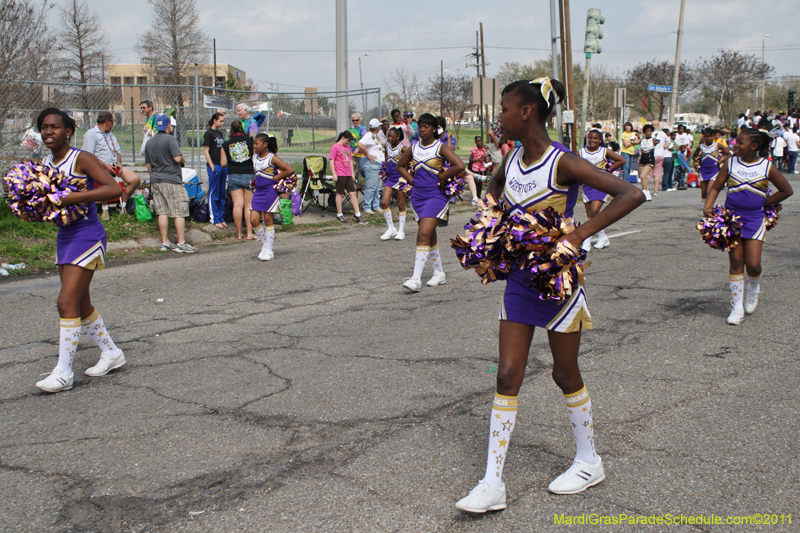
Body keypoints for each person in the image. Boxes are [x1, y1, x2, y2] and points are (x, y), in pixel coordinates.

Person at [453, 79, 643, 514]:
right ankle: (492, 483)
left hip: (558, 283)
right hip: (520, 281)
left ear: (526, 113)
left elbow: (631, 193)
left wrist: (577, 234)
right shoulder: (512, 157)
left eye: (503, 109)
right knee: (506, 375)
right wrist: (491, 220)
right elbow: (495, 189)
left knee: (564, 373)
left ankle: (588, 460)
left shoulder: (564, 163)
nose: (497, 117)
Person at [33, 109, 127, 392]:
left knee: (65, 302)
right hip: (65, 235)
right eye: (44, 128)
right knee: (79, 302)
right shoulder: (46, 162)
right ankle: (112, 353)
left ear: (69, 131)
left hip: (87, 235)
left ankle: (63, 372)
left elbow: (113, 189)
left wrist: (74, 197)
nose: (49, 132)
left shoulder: (81, 158)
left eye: (55, 127)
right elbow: (52, 201)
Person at [703, 128, 792, 325]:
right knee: (735, 262)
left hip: (754, 219)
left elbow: (786, 190)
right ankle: (737, 307)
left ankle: (754, 287)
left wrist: (765, 203)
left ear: (753, 146)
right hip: (731, 219)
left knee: (753, 264)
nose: (735, 146)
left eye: (740, 143)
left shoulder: (766, 166)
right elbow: (717, 186)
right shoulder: (730, 162)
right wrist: (707, 205)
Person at [396, 113, 464, 291]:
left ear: (434, 128)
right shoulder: (414, 147)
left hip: (436, 196)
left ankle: (415, 279)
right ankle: (439, 273)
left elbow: (459, 165)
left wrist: (441, 177)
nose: (422, 129)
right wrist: (411, 180)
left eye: (426, 126)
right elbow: (400, 166)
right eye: (420, 126)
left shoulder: (440, 147)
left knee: (423, 233)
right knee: (429, 234)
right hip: (418, 197)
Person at [144, 115, 197, 253]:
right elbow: (177, 158)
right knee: (179, 211)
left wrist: (154, 175)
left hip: (156, 180)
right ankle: (181, 242)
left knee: (162, 212)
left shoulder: (149, 142)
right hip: (172, 179)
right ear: (168, 126)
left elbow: (148, 165)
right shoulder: (170, 139)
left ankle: (165, 242)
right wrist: (183, 159)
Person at [81, 112, 141, 212]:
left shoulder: (111, 135)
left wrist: (118, 164)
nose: (112, 125)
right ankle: (105, 208)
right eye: (112, 122)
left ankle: (123, 205)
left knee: (135, 179)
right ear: (106, 122)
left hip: (114, 166)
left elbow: (118, 152)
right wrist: (106, 166)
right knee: (105, 179)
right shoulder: (91, 134)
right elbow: (89, 155)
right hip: (99, 167)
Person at [579, 129, 625, 252]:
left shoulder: (604, 151)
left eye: (595, 138)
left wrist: (608, 170)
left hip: (601, 184)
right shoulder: (581, 152)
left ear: (600, 140)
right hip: (587, 185)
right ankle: (603, 237)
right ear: (587, 139)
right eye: (590, 138)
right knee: (591, 215)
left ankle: (587, 239)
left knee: (594, 211)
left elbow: (621, 160)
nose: (593, 140)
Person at [250, 133, 294, 261]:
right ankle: (265, 243)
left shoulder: (272, 157)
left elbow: (288, 169)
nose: (254, 146)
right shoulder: (254, 157)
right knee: (253, 220)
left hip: (270, 192)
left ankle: (268, 249)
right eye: (254, 143)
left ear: (265, 145)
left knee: (268, 220)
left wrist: (275, 178)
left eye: (257, 144)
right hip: (258, 192)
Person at [222, 120, 255, 240]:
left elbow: (223, 163)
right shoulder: (250, 141)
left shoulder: (226, 144)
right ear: (242, 129)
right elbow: (254, 158)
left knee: (237, 205)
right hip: (248, 173)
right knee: (248, 206)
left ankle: (239, 233)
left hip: (233, 174)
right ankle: (249, 233)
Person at [378, 126, 408, 241]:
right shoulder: (387, 146)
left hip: (400, 179)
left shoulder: (402, 148)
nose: (389, 138)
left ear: (398, 137)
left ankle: (401, 230)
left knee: (401, 204)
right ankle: (391, 228)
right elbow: (386, 159)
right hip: (390, 178)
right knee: (384, 202)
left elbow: (411, 157)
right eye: (388, 136)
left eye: (391, 136)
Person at [330, 131, 363, 224]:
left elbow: (350, 161)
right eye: (348, 141)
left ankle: (357, 213)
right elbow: (331, 160)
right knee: (340, 193)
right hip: (340, 173)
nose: (348, 143)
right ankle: (339, 214)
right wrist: (334, 173)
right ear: (343, 138)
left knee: (353, 193)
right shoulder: (335, 147)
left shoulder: (348, 147)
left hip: (348, 173)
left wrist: (352, 173)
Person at [203, 112, 228, 228]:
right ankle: (214, 218)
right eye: (220, 121)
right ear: (214, 120)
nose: (222, 123)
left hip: (222, 166)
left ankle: (221, 217)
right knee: (214, 192)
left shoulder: (219, 133)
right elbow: (206, 151)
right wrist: (211, 165)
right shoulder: (209, 133)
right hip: (215, 165)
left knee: (221, 192)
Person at [693, 127, 731, 201]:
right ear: (704, 136)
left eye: (711, 136)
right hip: (703, 171)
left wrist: (720, 161)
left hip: (714, 171)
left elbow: (729, 154)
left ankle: (709, 208)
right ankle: (704, 206)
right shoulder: (701, 147)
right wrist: (698, 161)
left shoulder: (717, 145)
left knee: (709, 191)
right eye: (707, 136)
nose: (709, 138)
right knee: (703, 193)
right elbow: (694, 156)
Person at [358, 118, 385, 214]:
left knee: (377, 186)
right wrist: (368, 155)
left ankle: (375, 205)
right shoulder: (369, 135)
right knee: (371, 186)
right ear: (377, 127)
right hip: (372, 164)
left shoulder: (375, 136)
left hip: (378, 164)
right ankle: (367, 206)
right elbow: (360, 144)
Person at [637, 125, 658, 201]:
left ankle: (646, 193)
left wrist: (657, 140)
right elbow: (633, 142)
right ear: (644, 132)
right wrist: (634, 137)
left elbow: (656, 142)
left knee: (643, 175)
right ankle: (646, 192)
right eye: (647, 131)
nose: (648, 133)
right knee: (643, 178)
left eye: (650, 131)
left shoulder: (653, 139)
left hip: (650, 159)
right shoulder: (642, 140)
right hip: (642, 158)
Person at [468, 136, 489, 205]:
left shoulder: (484, 150)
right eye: (478, 141)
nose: (479, 142)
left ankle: (479, 196)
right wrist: (477, 160)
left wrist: (485, 159)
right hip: (475, 168)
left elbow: (485, 159)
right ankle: (475, 196)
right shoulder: (474, 150)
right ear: (475, 142)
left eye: (480, 141)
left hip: (481, 167)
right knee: (476, 182)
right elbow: (470, 159)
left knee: (480, 183)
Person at [349, 112, 367, 185]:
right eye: (353, 120)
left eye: (357, 120)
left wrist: (358, 149)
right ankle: (355, 184)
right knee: (352, 169)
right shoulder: (351, 129)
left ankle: (369, 180)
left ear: (360, 120)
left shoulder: (363, 129)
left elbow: (364, 140)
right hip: (352, 152)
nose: (355, 122)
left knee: (362, 169)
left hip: (361, 153)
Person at [653, 126, 672, 193]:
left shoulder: (652, 133)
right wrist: (664, 146)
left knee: (648, 174)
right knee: (659, 173)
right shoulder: (663, 134)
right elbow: (670, 145)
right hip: (662, 155)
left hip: (652, 154)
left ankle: (645, 189)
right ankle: (657, 189)